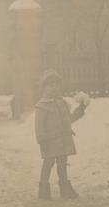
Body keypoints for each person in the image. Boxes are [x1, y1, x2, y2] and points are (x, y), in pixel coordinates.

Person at [34, 69, 87, 200]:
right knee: (48, 163)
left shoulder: (62, 103)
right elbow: (39, 126)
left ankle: (65, 189)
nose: (54, 88)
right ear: (44, 87)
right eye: (50, 85)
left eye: (56, 85)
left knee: (62, 164)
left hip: (63, 140)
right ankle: (44, 190)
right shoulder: (42, 106)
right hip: (50, 141)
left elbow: (68, 120)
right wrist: (42, 140)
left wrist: (80, 110)